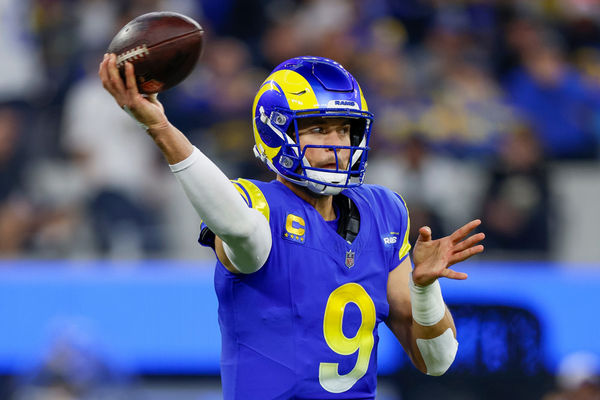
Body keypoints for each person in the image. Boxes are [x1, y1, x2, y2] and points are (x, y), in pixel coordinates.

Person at [98, 53, 484, 399]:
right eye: (318, 129)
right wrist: (162, 129)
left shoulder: (384, 212)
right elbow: (241, 229)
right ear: (276, 132)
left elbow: (437, 361)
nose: (337, 145)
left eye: (344, 129)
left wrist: (425, 289)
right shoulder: (256, 206)